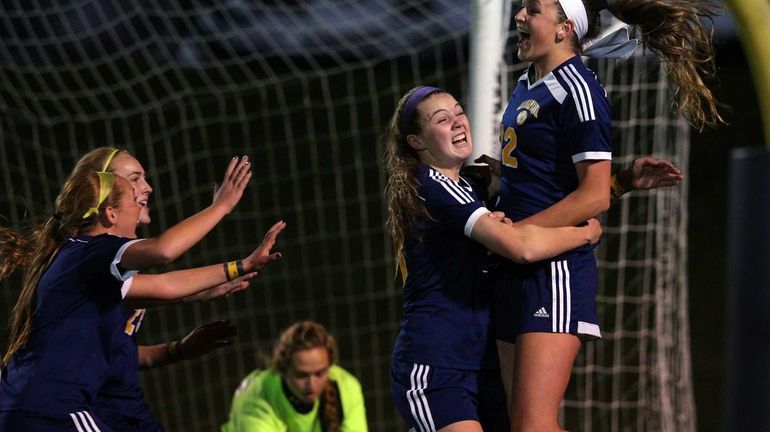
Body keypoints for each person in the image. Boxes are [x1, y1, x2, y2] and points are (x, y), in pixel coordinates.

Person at [492, 1, 721, 431]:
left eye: (533, 9)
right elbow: (542, 180)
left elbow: (593, 197)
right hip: (514, 267)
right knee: (519, 422)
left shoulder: (580, 90)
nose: (520, 15)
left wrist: (514, 234)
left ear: (564, 28)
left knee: (531, 425)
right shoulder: (529, 81)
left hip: (553, 271)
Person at [384, 85, 603, 432]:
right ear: (417, 142)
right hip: (436, 367)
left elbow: (542, 209)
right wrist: (584, 234)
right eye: (442, 120)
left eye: (459, 112)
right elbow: (521, 246)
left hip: (482, 367)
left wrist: (617, 184)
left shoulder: (472, 187)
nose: (458, 123)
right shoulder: (434, 186)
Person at [0, 169, 285, 431]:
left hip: (26, 401)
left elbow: (166, 285)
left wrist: (239, 267)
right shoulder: (95, 250)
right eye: (132, 193)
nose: (141, 200)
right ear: (110, 213)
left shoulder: (78, 261)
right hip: (52, 407)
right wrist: (220, 207)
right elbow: (163, 250)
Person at [68, 147, 260, 431]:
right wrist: (221, 208)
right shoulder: (89, 256)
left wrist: (177, 350)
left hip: (124, 407)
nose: (147, 187)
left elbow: (116, 353)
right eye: (135, 178)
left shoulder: (114, 265)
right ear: (104, 192)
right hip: (86, 408)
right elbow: (164, 257)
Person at [221, 321, 368, 432]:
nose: (311, 384)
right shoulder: (256, 400)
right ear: (284, 369)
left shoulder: (346, 386)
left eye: (320, 373)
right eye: (301, 375)